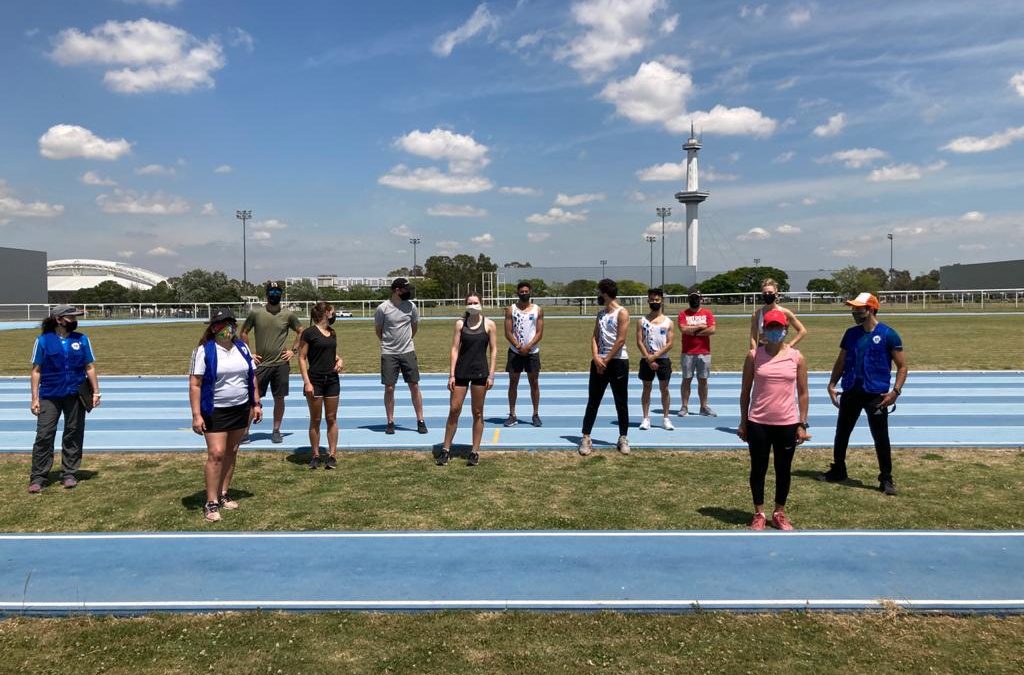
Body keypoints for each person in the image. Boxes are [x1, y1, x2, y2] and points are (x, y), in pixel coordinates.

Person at [817, 292, 908, 495]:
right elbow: (841, 361)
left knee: (881, 437)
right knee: (842, 433)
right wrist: (832, 383)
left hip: (877, 395)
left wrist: (895, 392)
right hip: (851, 391)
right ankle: (838, 469)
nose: (855, 312)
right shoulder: (850, 334)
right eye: (854, 308)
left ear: (871, 309)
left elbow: (902, 366)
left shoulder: (888, 334)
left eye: (859, 308)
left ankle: (886, 478)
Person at [737, 309, 810, 531]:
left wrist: (802, 424)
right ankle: (759, 513)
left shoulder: (796, 357)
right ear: (764, 331)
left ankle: (779, 512)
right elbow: (745, 391)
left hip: (787, 422)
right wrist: (743, 422)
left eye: (779, 328)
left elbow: (803, 392)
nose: (775, 331)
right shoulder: (754, 356)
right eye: (770, 328)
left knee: (783, 469)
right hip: (758, 421)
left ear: (786, 330)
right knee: (758, 468)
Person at [189, 308, 262, 522]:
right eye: (221, 324)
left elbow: (251, 377)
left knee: (232, 451)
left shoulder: (242, 348)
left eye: (230, 323)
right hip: (215, 410)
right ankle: (210, 502)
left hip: (240, 408)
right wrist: (196, 415)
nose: (226, 328)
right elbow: (195, 384)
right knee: (217, 454)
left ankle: (223, 494)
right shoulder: (204, 351)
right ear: (213, 328)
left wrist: (256, 403)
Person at [28, 305, 101, 493]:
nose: (75, 321)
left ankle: (69, 473)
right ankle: (38, 476)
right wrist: (34, 397)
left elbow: (89, 367)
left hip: (75, 393)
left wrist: (96, 392)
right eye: (71, 317)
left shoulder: (81, 339)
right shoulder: (43, 341)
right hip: (49, 395)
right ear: (59, 319)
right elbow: (36, 371)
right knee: (44, 434)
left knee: (73, 432)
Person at [435, 295, 498, 466]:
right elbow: (455, 349)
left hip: (480, 373)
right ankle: (446, 449)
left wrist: (491, 374)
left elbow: (493, 350)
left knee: (477, 412)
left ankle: (474, 452)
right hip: (461, 372)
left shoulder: (489, 324)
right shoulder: (460, 324)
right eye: (469, 303)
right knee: (454, 409)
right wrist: (452, 374)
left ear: (481, 304)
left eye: (475, 302)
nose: (473, 305)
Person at [240, 281, 302, 444]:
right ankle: (245, 432)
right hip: (261, 365)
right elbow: (244, 332)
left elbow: (301, 331)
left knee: (279, 398)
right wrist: (248, 354)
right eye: (271, 292)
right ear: (266, 294)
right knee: (253, 399)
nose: (274, 295)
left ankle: (276, 430)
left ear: (281, 294)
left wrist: (293, 351)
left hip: (281, 365)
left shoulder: (288, 315)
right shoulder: (256, 314)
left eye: (277, 292)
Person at [578, 279, 631, 456]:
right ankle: (586, 437)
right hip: (599, 362)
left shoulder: (622, 313)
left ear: (605, 293)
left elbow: (621, 339)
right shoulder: (600, 314)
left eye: (599, 292)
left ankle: (623, 437)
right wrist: (596, 357)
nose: (597, 296)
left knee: (620, 402)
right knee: (593, 400)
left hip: (617, 362)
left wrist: (606, 359)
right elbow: (594, 337)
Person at [375, 277, 427, 435]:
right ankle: (390, 421)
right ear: (396, 290)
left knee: (414, 385)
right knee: (389, 388)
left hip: (408, 351)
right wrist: (389, 344)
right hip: (389, 353)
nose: (408, 292)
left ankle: (420, 420)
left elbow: (414, 327)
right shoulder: (383, 308)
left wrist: (407, 342)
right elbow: (379, 330)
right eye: (405, 289)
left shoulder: (411, 307)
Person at [298, 301, 344, 470]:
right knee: (315, 419)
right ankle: (316, 455)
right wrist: (307, 383)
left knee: (331, 418)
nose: (334, 314)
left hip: (332, 380)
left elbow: (330, 351)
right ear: (326, 313)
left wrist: (339, 359)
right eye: (332, 311)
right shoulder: (309, 333)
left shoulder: (332, 332)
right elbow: (302, 358)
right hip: (315, 380)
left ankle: (332, 455)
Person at [503, 281, 544, 427]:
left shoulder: (538, 310)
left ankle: (535, 414)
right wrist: (518, 345)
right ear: (517, 292)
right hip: (515, 352)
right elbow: (507, 332)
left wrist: (529, 346)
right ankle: (512, 414)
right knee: (513, 383)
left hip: (532, 352)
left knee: (534, 383)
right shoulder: (510, 309)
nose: (524, 293)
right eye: (522, 291)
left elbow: (539, 333)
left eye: (527, 291)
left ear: (530, 292)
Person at [636, 288, 675, 430]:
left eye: (657, 299)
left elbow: (670, 343)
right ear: (648, 301)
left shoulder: (668, 322)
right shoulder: (642, 321)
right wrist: (649, 358)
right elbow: (639, 341)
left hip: (663, 360)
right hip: (646, 360)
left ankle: (666, 418)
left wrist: (656, 356)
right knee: (646, 388)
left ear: (661, 301)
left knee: (664, 389)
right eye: (652, 300)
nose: (654, 302)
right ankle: (646, 418)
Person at [677, 290, 717, 417]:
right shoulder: (683, 314)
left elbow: (712, 330)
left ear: (701, 298)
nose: (694, 300)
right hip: (687, 352)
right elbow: (683, 329)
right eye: (692, 298)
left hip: (704, 352)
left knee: (703, 380)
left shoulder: (707, 313)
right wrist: (701, 326)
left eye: (696, 297)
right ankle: (684, 406)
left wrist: (693, 331)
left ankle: (703, 407)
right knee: (686, 379)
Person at [749, 278, 807, 350]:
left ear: (776, 294)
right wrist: (754, 355)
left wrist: (790, 345)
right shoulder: (756, 314)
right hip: (762, 352)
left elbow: (802, 331)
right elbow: (753, 338)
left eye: (770, 292)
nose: (767, 295)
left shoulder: (785, 312)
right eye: (765, 293)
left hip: (780, 351)